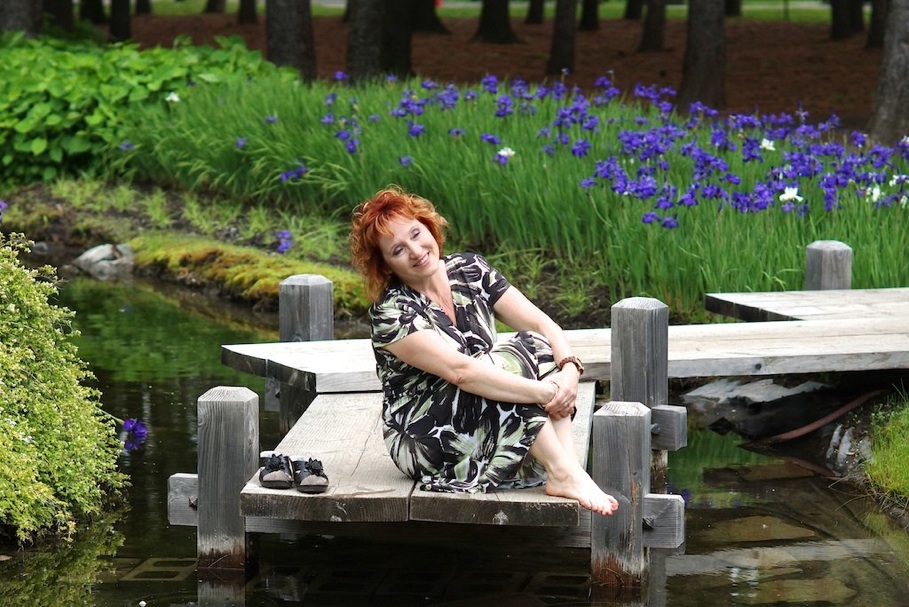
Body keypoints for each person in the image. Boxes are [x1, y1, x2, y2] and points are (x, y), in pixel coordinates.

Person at [349, 186, 619, 516]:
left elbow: (541, 323)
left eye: (417, 234)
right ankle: (566, 472)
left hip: (483, 402)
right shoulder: (391, 313)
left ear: (429, 226)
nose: (417, 250)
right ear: (387, 265)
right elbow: (461, 373)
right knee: (497, 372)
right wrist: (546, 392)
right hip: (427, 432)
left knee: (535, 346)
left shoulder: (470, 270)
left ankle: (565, 469)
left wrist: (569, 370)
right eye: (398, 250)